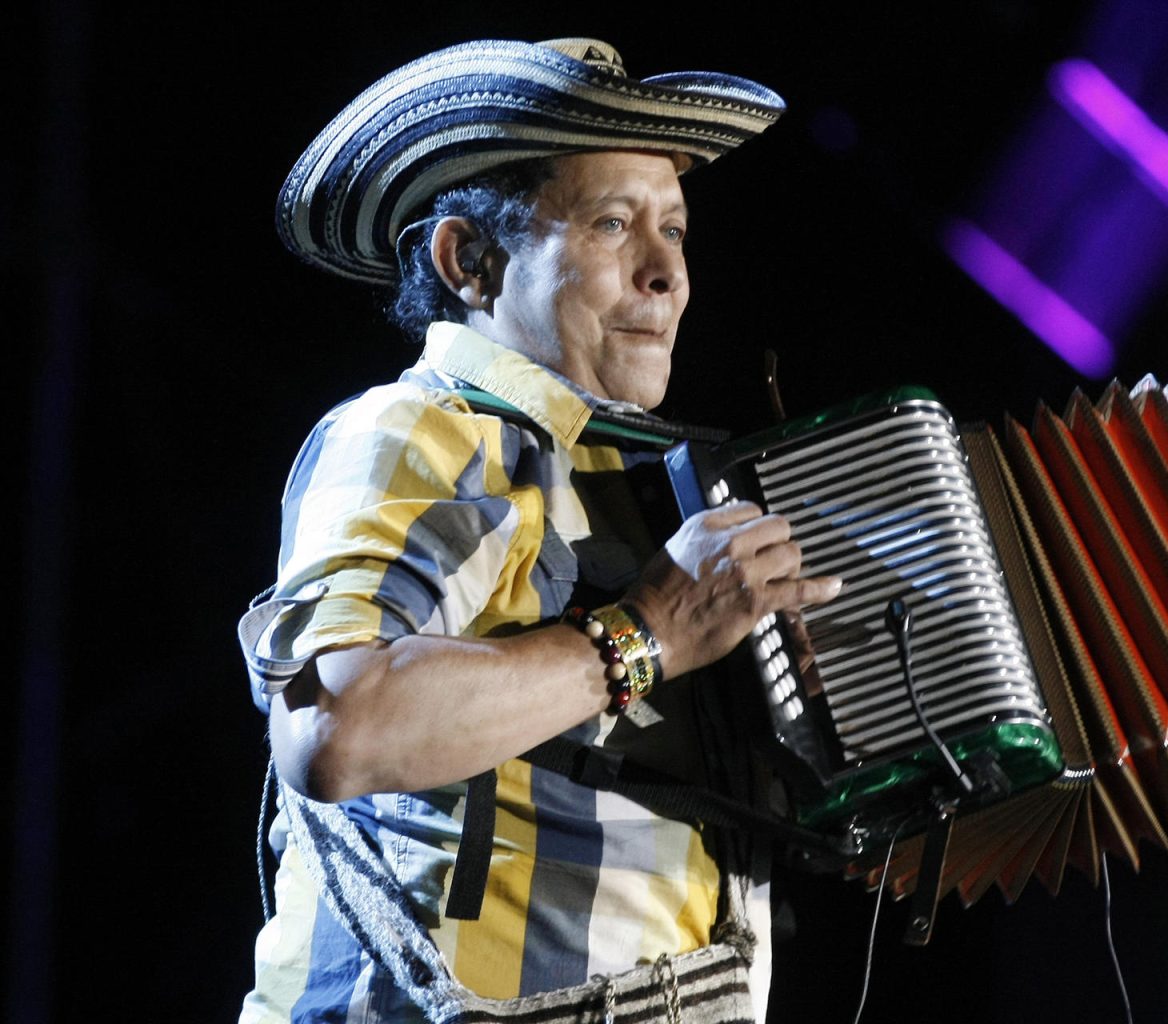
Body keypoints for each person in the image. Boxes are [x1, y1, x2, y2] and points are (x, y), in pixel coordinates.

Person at [236, 37, 841, 1024]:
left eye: (677, 232)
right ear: (468, 260)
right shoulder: (418, 431)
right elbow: (338, 725)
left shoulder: (652, 492)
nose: (665, 276)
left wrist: (838, 728)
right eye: (613, 224)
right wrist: (646, 634)